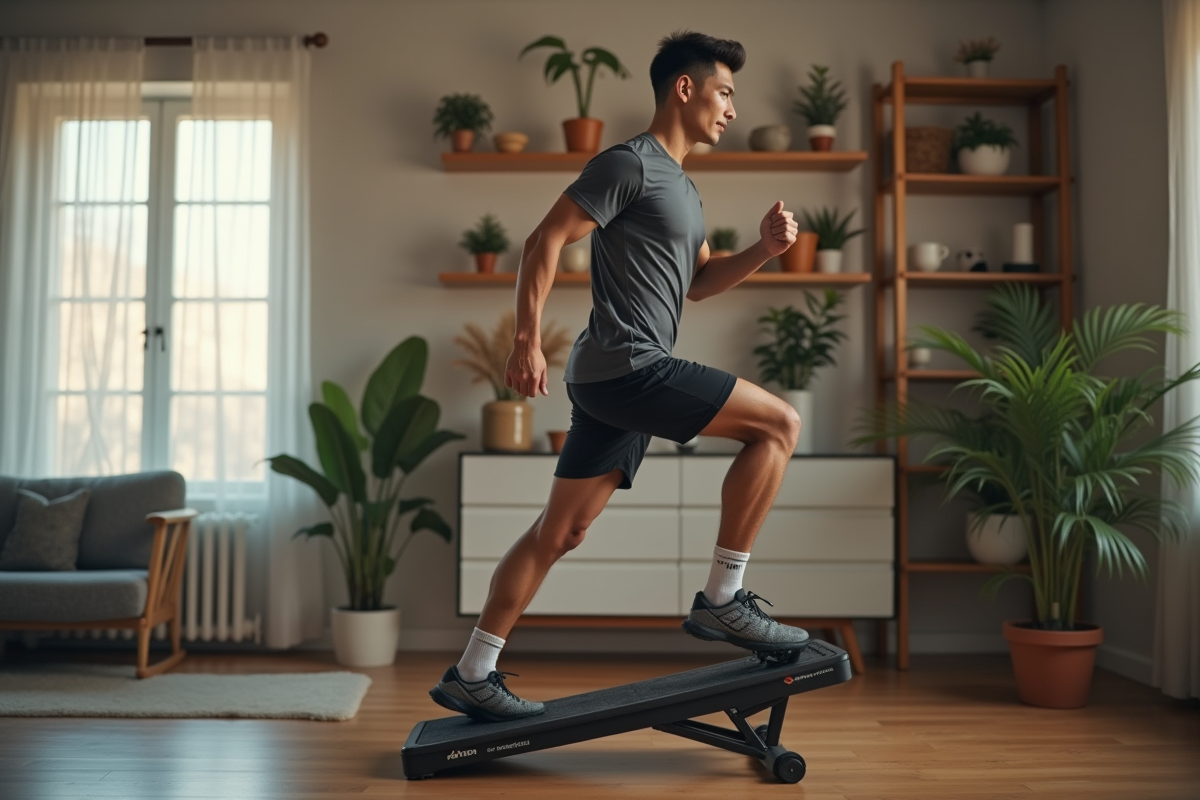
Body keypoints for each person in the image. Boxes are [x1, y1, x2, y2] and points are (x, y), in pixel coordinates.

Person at [430, 31, 807, 724]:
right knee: (780, 423)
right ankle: (725, 600)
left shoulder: (686, 189)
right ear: (684, 89)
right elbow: (544, 238)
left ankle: (473, 672)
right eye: (724, 93)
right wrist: (524, 339)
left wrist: (765, 249)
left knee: (559, 532)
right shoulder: (629, 163)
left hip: (614, 381)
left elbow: (698, 284)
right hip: (631, 365)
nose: (731, 109)